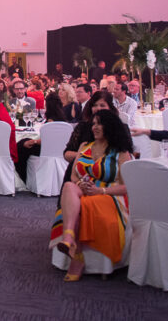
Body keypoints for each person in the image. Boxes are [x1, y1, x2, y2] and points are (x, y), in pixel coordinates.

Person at [50, 109, 133, 281]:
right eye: (93, 123)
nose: (94, 127)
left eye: (99, 123)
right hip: (84, 189)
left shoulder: (121, 153)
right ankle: (68, 238)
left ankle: (76, 256)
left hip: (110, 196)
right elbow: (73, 175)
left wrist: (100, 190)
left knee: (81, 206)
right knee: (68, 186)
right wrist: (81, 184)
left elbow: (128, 187)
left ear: (109, 127)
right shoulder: (84, 146)